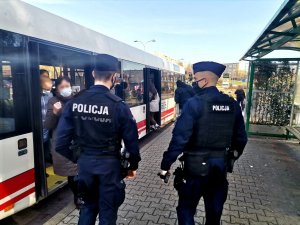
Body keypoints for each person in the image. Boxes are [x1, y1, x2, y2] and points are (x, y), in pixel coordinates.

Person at [55, 54, 141, 225]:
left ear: (94, 74)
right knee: (108, 213)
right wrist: (133, 165)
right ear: (114, 77)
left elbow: (61, 143)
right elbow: (132, 141)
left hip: (85, 166)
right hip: (110, 167)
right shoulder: (119, 105)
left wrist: (80, 158)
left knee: (87, 208)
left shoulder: (74, 103)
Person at [159, 61, 248, 225]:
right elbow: (241, 138)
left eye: (196, 79)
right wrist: (231, 158)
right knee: (214, 214)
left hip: (194, 167)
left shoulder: (193, 104)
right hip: (219, 167)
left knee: (186, 209)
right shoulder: (232, 104)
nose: (194, 82)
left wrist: (166, 165)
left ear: (204, 81)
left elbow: (179, 138)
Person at [44, 76, 78, 206]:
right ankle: (78, 196)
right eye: (62, 87)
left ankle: (83, 194)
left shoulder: (77, 99)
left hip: (79, 141)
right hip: (64, 143)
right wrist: (54, 113)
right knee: (72, 173)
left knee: (81, 170)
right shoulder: (53, 101)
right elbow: (48, 125)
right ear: (57, 90)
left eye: (67, 86)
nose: (66, 89)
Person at [40, 76, 53, 165]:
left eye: (49, 89)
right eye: (45, 89)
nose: (48, 91)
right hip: (39, 128)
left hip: (47, 127)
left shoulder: (50, 95)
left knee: (45, 148)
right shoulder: (33, 97)